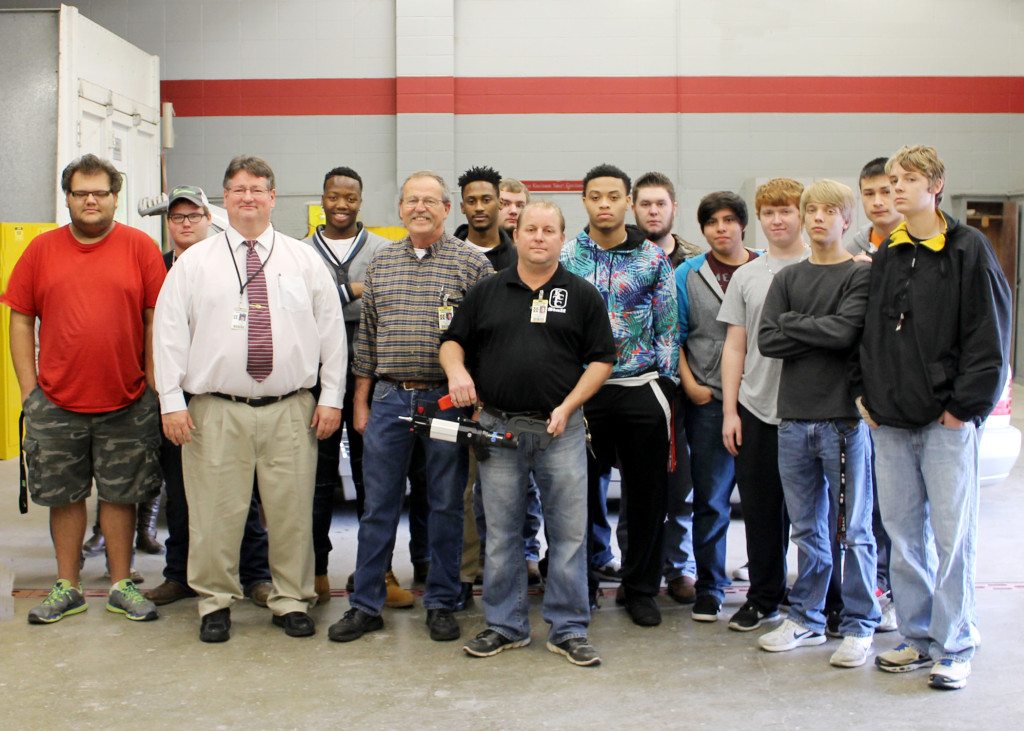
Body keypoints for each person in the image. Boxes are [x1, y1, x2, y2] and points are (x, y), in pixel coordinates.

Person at [154, 155, 347, 643]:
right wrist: (171, 401)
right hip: (215, 410)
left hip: (292, 409)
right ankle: (215, 602)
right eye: (238, 189)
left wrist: (333, 398)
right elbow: (169, 333)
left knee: (291, 512)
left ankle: (290, 599)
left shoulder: (303, 261)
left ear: (273, 197)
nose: (248, 197)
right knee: (215, 513)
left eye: (257, 189)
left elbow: (333, 337)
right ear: (224, 199)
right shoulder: (195, 262)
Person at [855, 145, 1011, 690]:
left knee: (952, 536)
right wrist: (865, 398)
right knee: (903, 534)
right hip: (890, 422)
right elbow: (869, 333)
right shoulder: (890, 252)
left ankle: (955, 644)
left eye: (908, 178)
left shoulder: (970, 249)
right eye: (891, 179)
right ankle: (917, 639)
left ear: (936, 184)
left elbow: (990, 337)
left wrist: (962, 410)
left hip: (946, 422)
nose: (895, 187)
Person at [441, 200, 616, 666]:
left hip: (561, 430)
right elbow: (452, 342)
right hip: (497, 429)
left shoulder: (582, 294)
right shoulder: (486, 291)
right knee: (501, 534)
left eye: (549, 230)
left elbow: (602, 360)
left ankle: (569, 628)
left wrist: (569, 405)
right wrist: (458, 374)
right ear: (515, 236)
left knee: (569, 534)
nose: (539, 237)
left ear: (563, 238)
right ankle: (505, 624)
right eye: (530, 229)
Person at [328, 171, 492, 644]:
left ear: (447, 209)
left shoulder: (472, 265)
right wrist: (360, 402)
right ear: (400, 209)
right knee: (377, 505)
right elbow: (367, 341)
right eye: (411, 200)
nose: (420, 208)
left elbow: (485, 343)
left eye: (430, 201)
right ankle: (366, 605)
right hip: (388, 399)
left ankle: (441, 601)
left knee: (444, 502)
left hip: (446, 402)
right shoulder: (380, 264)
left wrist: (479, 403)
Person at [4, 153, 165, 624]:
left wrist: (152, 385)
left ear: (116, 198)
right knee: (63, 496)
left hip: (128, 400)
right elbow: (19, 317)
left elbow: (156, 318)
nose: (90, 200)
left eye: (100, 192)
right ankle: (67, 585)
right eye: (81, 192)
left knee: (122, 494)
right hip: (56, 403)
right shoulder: (41, 251)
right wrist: (30, 390)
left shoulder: (139, 248)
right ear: (69, 198)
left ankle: (120, 584)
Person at [757, 179, 879, 668]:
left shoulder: (859, 275)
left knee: (855, 530)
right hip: (793, 421)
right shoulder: (787, 278)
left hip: (843, 423)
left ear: (846, 220)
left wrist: (795, 324)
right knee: (807, 528)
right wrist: (816, 329)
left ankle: (859, 624)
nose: (819, 218)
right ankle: (806, 618)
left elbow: (847, 331)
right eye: (813, 210)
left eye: (831, 211)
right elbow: (768, 339)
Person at [144, 185, 274, 608]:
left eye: (193, 216)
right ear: (169, 225)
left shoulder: (232, 264)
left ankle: (253, 574)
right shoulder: (157, 268)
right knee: (181, 493)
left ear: (208, 219)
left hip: (224, 397)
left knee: (244, 493)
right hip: (174, 398)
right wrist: (165, 396)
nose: (185, 224)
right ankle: (180, 574)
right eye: (177, 218)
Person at [560, 163, 678, 627]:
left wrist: (664, 382)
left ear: (628, 202)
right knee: (576, 495)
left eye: (614, 196)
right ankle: (582, 583)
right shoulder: (567, 256)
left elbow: (668, 323)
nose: (605, 204)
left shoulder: (651, 258)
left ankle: (640, 588)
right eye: (595, 196)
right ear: (584, 201)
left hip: (639, 387)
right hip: (581, 395)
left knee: (648, 496)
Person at [301, 166, 406, 605]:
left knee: (374, 480)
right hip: (317, 377)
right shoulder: (299, 251)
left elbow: (386, 292)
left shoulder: (385, 250)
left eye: (350, 197)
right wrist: (354, 292)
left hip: (372, 377)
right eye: (333, 196)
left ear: (361, 201)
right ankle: (317, 572)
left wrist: (339, 293)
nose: (341, 204)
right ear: (321, 200)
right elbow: (299, 302)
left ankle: (378, 573)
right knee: (317, 479)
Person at [718, 178, 807, 631]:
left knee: (815, 517)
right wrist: (731, 411)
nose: (777, 220)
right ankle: (765, 596)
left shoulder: (826, 268)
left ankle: (819, 599)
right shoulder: (747, 276)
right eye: (769, 212)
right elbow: (735, 345)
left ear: (804, 215)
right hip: (758, 412)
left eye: (786, 211)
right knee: (761, 512)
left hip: (813, 414)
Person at [676, 191, 757, 622]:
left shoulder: (766, 268)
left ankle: (767, 585)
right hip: (708, 401)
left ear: (743, 225)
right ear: (703, 229)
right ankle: (710, 587)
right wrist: (691, 386)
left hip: (760, 402)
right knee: (710, 498)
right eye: (712, 222)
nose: (721, 228)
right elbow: (676, 336)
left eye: (729, 220)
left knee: (766, 502)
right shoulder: (689, 274)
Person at [624, 171, 702, 604]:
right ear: (634, 208)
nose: (653, 211)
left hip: (681, 387)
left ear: (674, 208)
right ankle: (635, 567)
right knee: (635, 486)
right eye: (646, 204)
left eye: (661, 204)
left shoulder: (694, 262)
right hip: (633, 388)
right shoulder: (622, 255)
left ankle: (679, 568)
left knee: (681, 485)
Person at [845, 157, 904, 258]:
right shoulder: (852, 251)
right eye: (869, 194)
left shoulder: (922, 243)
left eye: (886, 192)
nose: (877, 202)